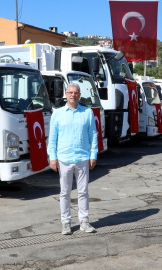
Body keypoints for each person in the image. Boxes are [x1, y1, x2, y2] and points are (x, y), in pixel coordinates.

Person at [47, 83, 98, 235]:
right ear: (66, 94)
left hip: (82, 158)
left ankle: (84, 221)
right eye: (70, 92)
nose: (73, 95)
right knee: (65, 192)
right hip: (64, 159)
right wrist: (53, 158)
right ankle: (66, 222)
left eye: (75, 93)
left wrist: (93, 155)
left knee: (83, 192)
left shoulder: (87, 112)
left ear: (79, 95)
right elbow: (52, 138)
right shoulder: (57, 113)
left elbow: (93, 135)